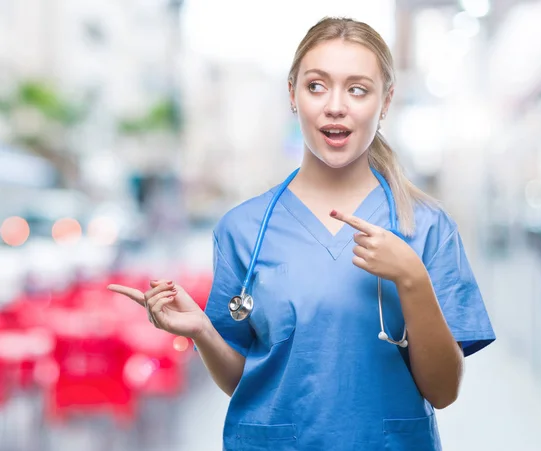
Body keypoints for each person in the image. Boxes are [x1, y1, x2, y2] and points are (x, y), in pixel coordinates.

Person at [108, 16, 496, 451]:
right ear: (292, 94)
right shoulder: (242, 230)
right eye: (316, 86)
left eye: (357, 89)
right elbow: (245, 381)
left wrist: (412, 279)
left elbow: (443, 392)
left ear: (385, 103)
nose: (335, 106)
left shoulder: (426, 227)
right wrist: (202, 330)